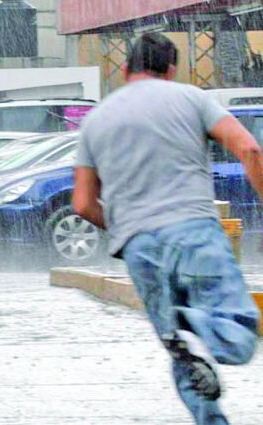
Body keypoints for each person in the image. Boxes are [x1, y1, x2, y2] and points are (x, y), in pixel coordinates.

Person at [73, 33, 261, 424]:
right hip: (194, 231)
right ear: (171, 69)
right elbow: (250, 149)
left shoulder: (95, 120)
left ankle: (189, 348)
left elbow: (83, 204)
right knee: (237, 333)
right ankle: (194, 324)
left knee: (184, 357)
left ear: (125, 70)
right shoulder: (190, 98)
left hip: (139, 249)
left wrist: (127, 228)